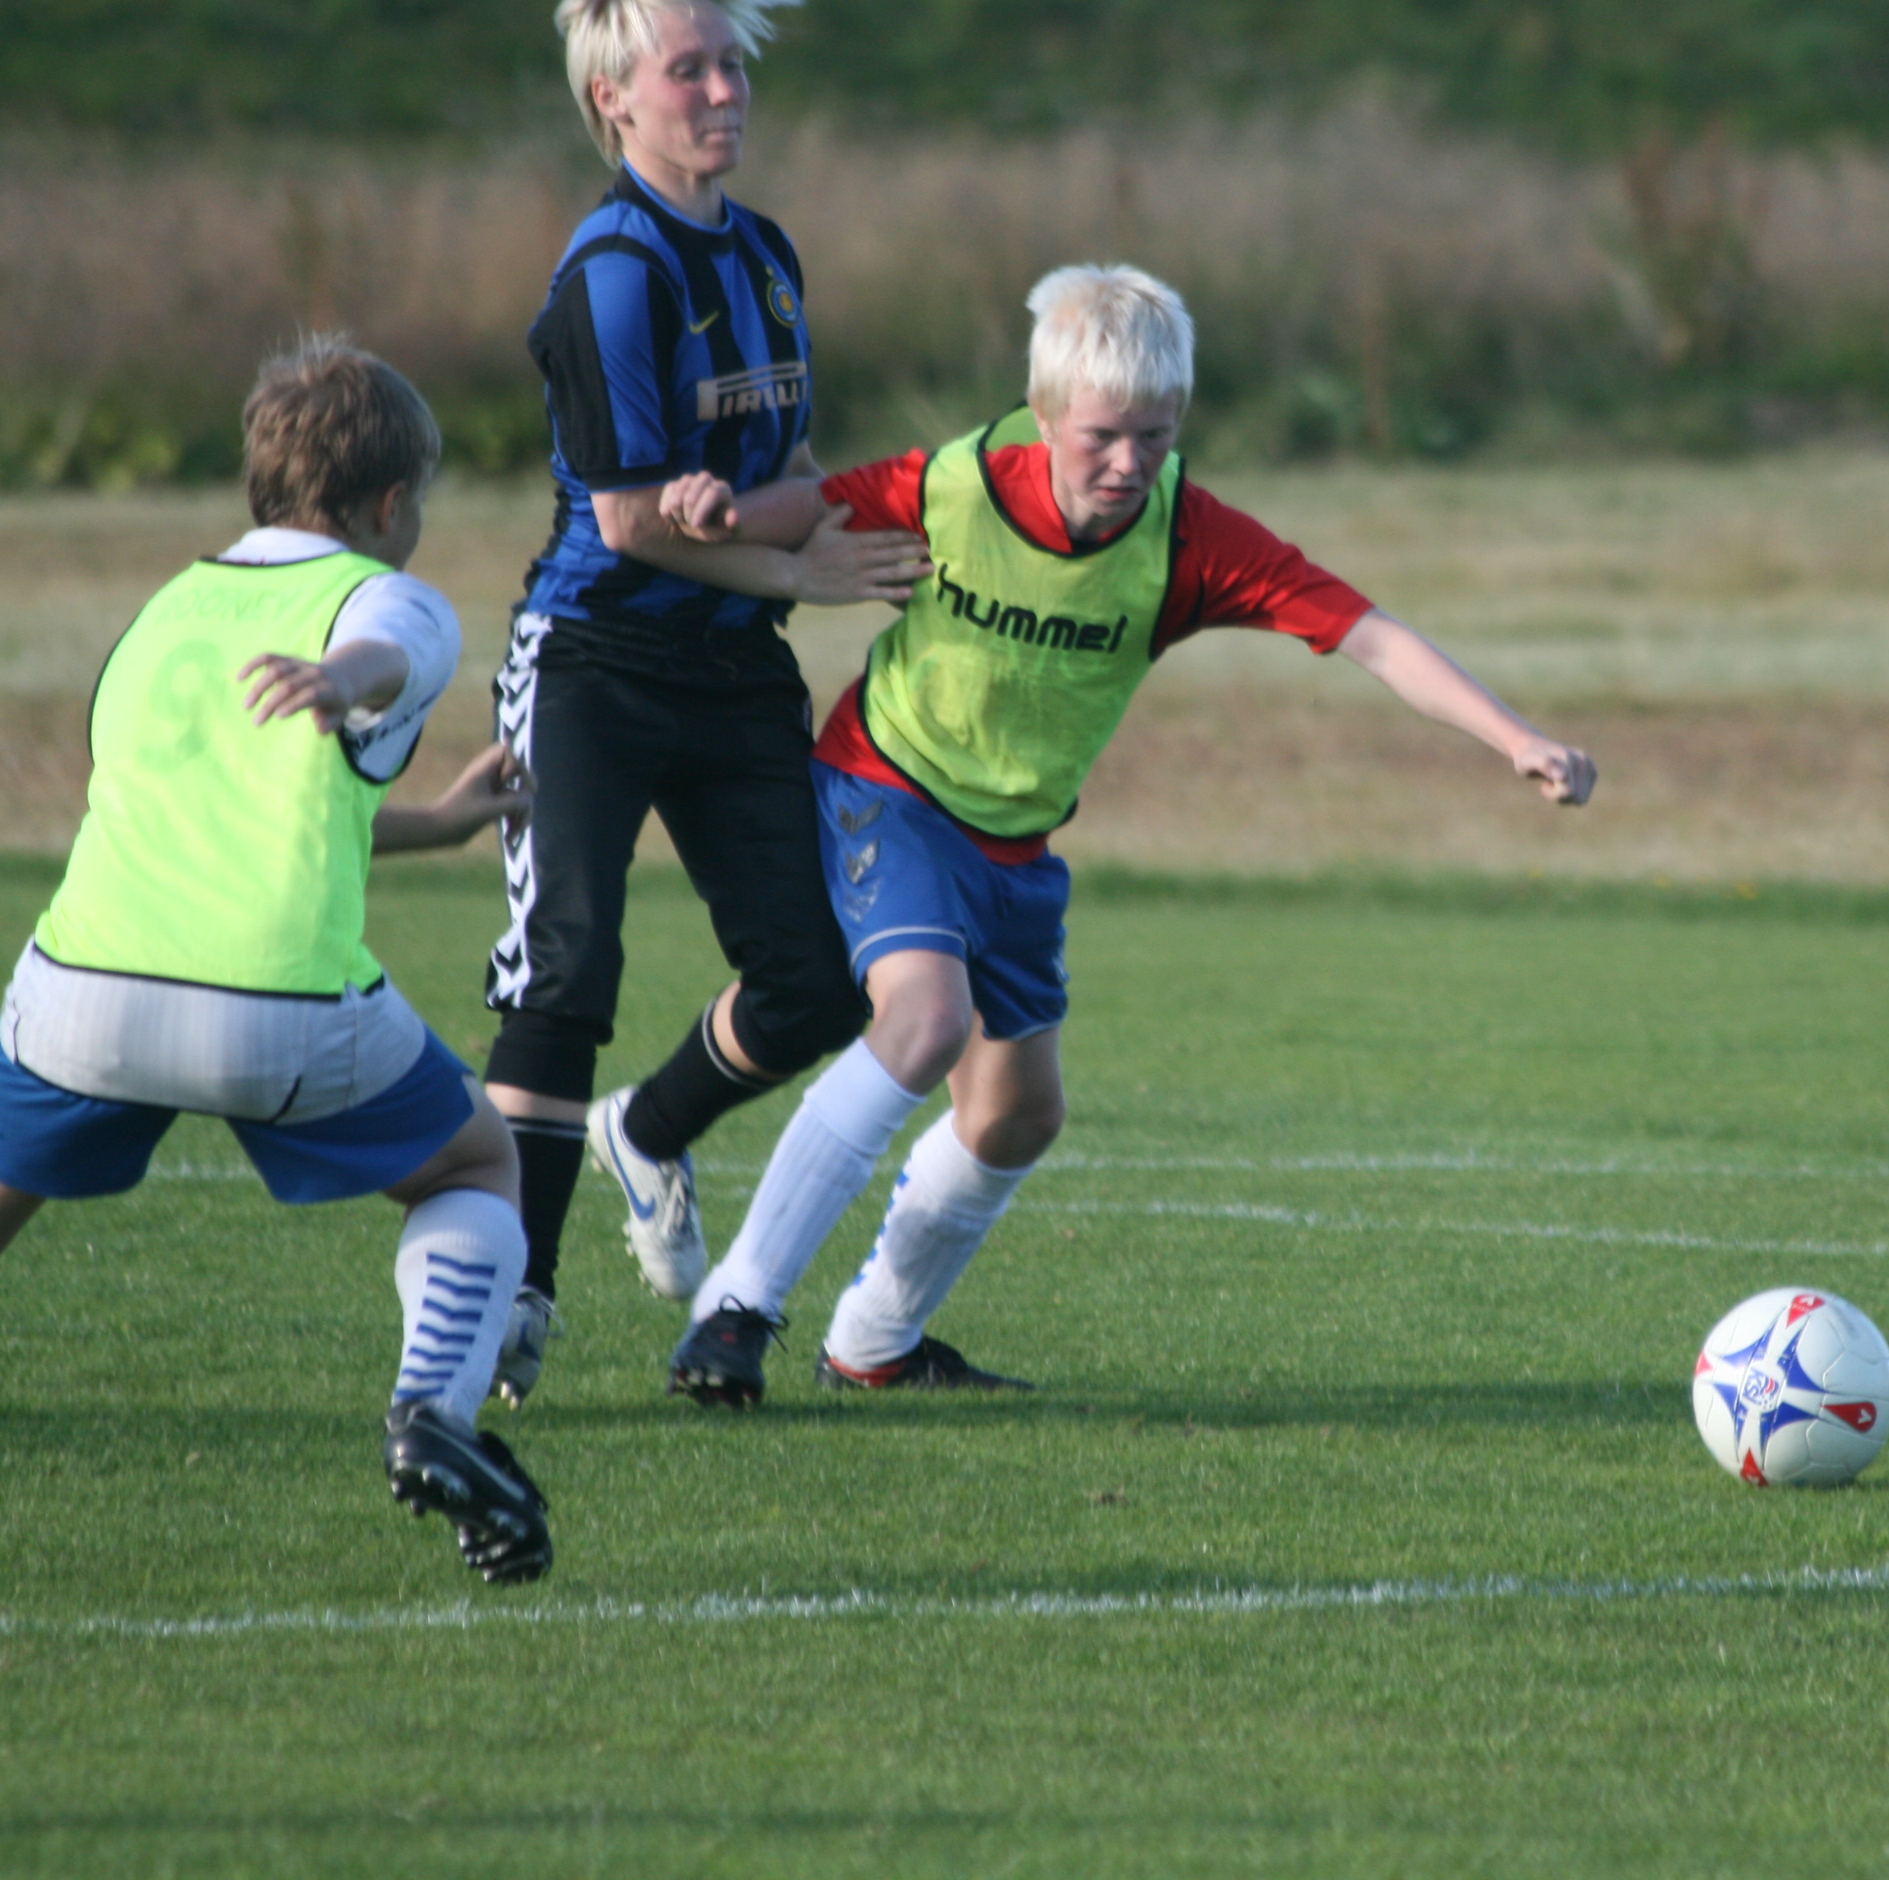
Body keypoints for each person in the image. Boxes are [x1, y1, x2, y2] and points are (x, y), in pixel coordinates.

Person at [642, 263, 1598, 1405]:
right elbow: (806, 509)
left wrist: (1515, 737)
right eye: (1101, 436)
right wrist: (721, 511)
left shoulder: (1189, 536)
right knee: (924, 1019)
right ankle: (736, 1310)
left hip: (1016, 844)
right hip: (886, 791)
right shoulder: (954, 485)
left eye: (1155, 434)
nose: (1128, 462)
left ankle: (874, 1342)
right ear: (1044, 416)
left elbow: (1369, 635)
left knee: (1017, 1115)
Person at [0, 336, 554, 1581]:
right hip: (274, 1010)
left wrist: (435, 820)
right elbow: (387, 649)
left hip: (86, 991)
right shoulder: (388, 595)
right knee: (475, 1160)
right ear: (392, 502)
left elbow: (219, 810)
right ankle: (432, 1413)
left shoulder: (163, 609)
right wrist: (342, 676)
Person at [482, 0, 930, 1404]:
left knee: (816, 979)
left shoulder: (768, 254)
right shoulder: (612, 273)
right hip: (595, 662)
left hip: (733, 663)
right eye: (691, 70)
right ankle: (515, 1292)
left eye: (734, 66)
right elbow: (627, 526)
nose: (725, 92)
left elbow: (787, 471)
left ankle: (650, 1130)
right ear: (614, 99)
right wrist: (793, 560)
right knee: (566, 969)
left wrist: (756, 521)